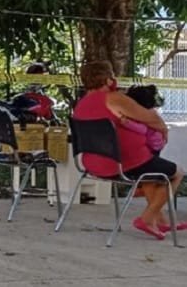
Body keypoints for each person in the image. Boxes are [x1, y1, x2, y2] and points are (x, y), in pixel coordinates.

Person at [71, 61, 185, 238]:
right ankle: (147, 218)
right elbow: (152, 119)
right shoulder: (114, 98)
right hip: (124, 163)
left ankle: (160, 220)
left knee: (151, 170)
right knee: (176, 173)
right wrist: (162, 130)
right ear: (108, 79)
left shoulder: (80, 105)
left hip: (91, 164)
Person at [123, 85, 166, 154]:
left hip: (153, 145)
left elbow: (143, 129)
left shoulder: (145, 114)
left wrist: (127, 123)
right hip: (156, 143)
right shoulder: (150, 112)